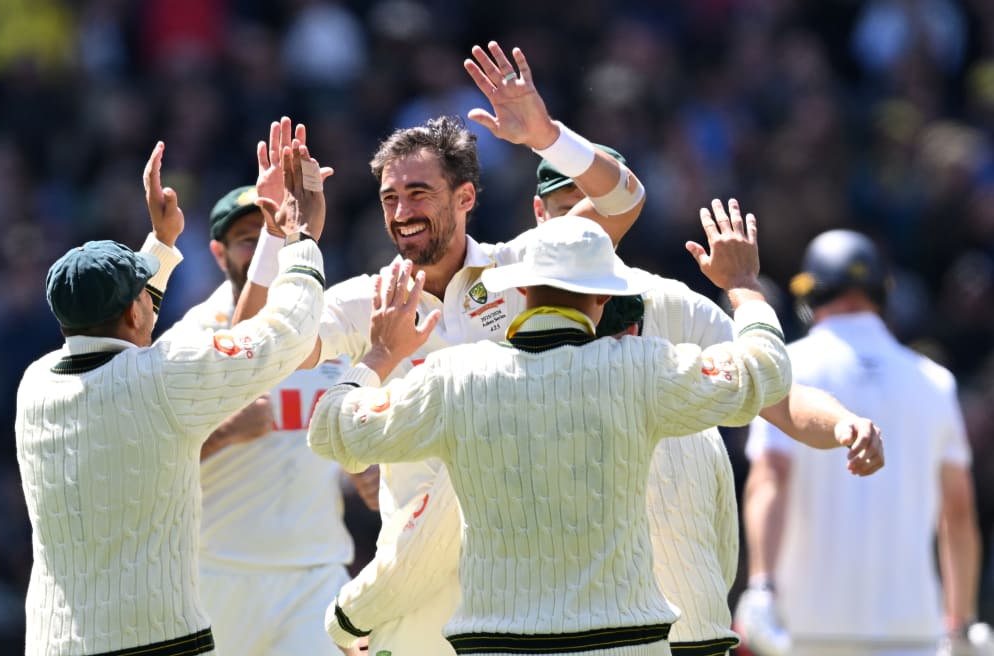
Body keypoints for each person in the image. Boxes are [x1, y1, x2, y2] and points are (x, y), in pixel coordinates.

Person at [221, 40, 648, 656]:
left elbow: (624, 199)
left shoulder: (525, 270)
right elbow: (252, 351)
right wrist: (277, 234)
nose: (402, 212)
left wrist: (548, 137)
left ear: (465, 197)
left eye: (419, 193)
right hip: (415, 581)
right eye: (390, 198)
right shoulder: (369, 300)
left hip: (526, 570)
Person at [308, 210, 792, 656]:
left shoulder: (455, 378)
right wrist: (744, 287)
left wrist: (379, 354)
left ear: (520, 289)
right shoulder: (644, 371)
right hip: (621, 644)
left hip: (500, 646)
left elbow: (333, 431)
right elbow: (767, 372)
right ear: (603, 297)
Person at [535, 153, 885, 656]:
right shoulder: (497, 304)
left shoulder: (668, 304)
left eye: (597, 211)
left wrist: (843, 424)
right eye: (568, 211)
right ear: (538, 214)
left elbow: (778, 393)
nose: (583, 230)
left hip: (682, 612)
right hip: (557, 617)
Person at [14, 139, 327, 655]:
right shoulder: (164, 379)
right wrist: (301, 238)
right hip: (156, 642)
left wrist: (161, 244)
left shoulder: (35, 384)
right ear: (134, 310)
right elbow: (289, 332)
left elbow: (120, 325)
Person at [162, 117, 376, 656]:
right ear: (219, 254)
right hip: (219, 574)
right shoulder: (192, 337)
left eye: (272, 234)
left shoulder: (331, 326)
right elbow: (151, 458)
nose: (265, 250)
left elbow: (348, 436)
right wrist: (225, 432)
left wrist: (370, 468)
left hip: (315, 573)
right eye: (248, 241)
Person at [735, 229, 988, 656]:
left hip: (806, 632)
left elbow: (770, 478)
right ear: (882, 293)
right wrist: (960, 624)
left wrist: (761, 588)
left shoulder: (787, 369)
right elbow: (958, 511)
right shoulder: (935, 382)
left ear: (809, 293)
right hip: (913, 634)